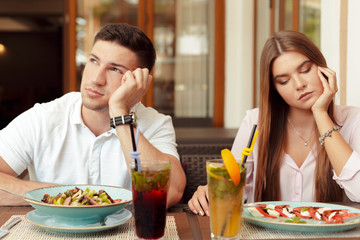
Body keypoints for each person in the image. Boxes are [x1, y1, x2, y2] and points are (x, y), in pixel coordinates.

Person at [0, 23, 186, 208]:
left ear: (137, 82)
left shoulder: (155, 124)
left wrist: (120, 112)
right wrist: (62, 196)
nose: (96, 79)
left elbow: (169, 193)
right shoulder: (43, 118)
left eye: (115, 69)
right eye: (94, 60)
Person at [188, 30, 360, 216]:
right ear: (274, 89)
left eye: (305, 70)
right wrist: (209, 193)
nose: (299, 84)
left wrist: (320, 113)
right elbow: (232, 188)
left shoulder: (353, 121)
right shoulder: (255, 123)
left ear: (323, 68)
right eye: (284, 81)